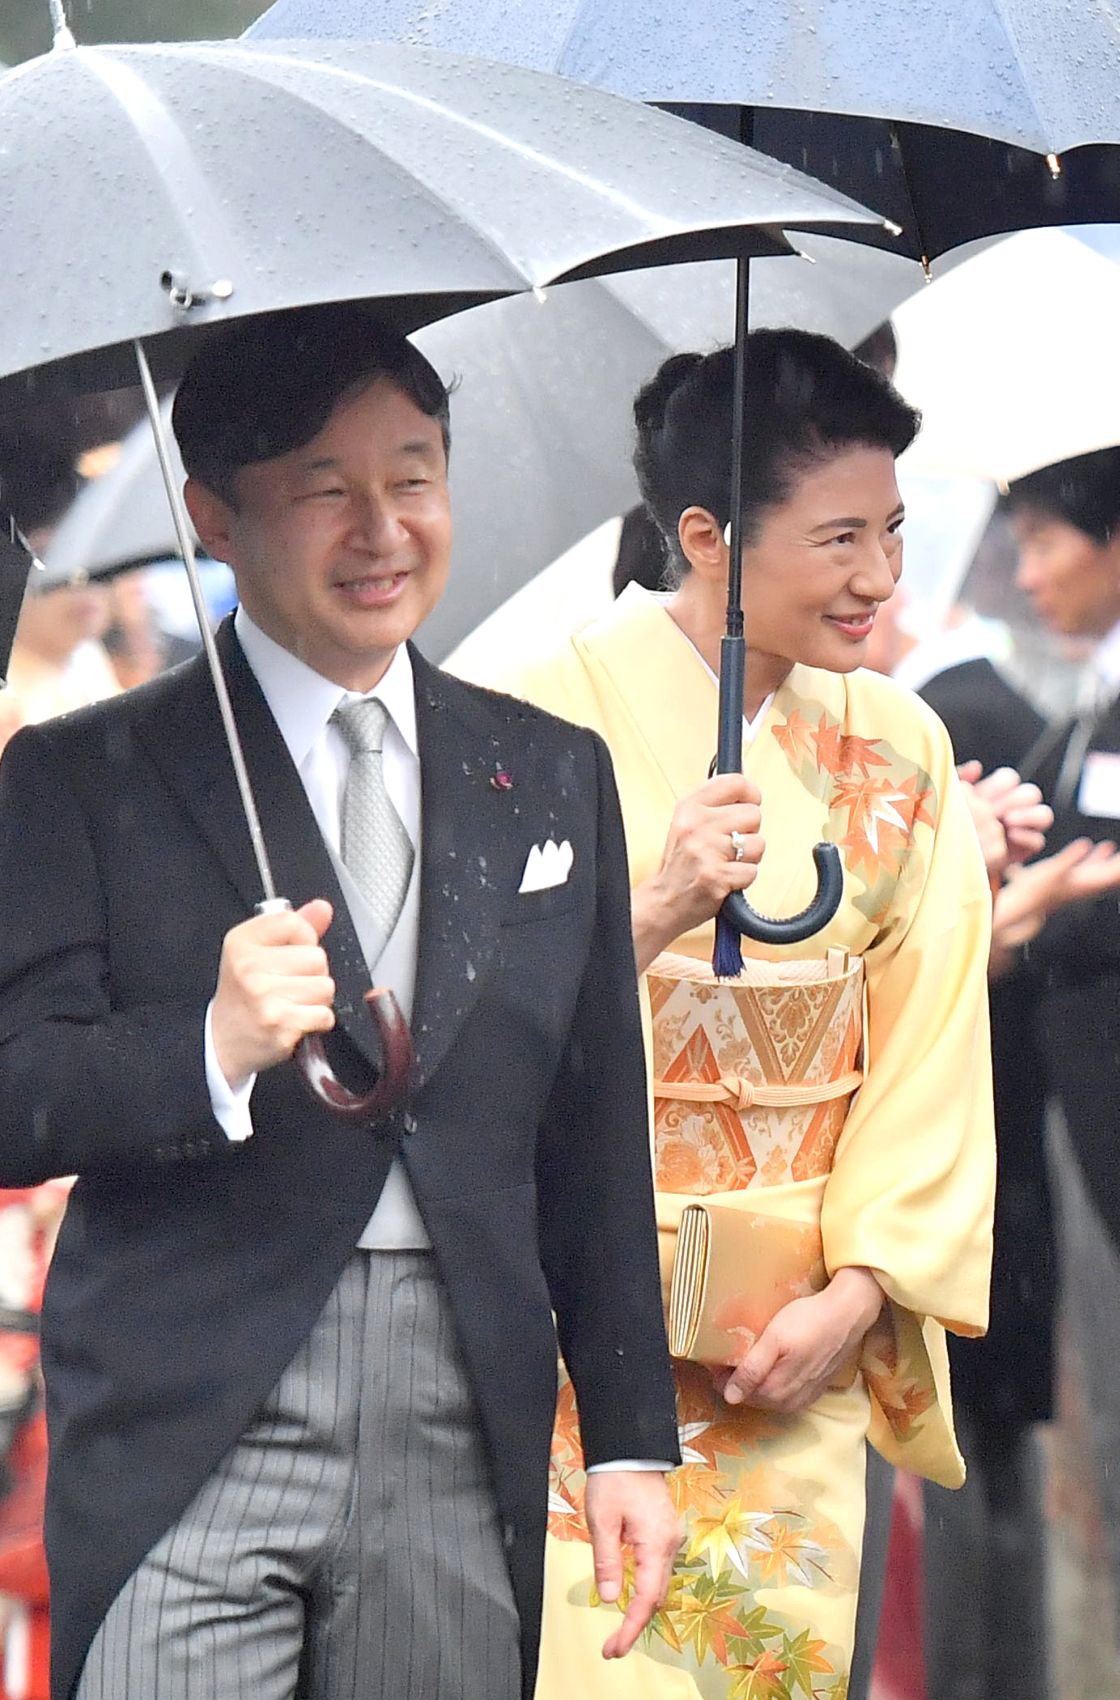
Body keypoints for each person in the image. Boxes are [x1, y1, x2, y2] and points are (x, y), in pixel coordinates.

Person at [0, 307, 682, 1700]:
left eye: (414, 477)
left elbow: (593, 1130)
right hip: (191, 1407)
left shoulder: (549, 771)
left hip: (462, 1403)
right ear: (212, 515)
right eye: (324, 489)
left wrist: (633, 1435)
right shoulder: (84, 773)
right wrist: (208, 1046)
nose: (383, 530)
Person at [488, 330, 995, 1697]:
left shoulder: (904, 745)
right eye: (839, 538)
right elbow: (466, 1026)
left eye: (892, 530)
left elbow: (932, 1053)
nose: (880, 577)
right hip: (576, 1330)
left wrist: (860, 1292)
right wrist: (653, 907)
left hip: (792, 1335)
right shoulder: (530, 714)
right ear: (708, 538)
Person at [997, 444, 1120, 1668]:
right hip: (1080, 1118)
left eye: (1046, 541)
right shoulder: (1087, 701)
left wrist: (1027, 923)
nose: (1028, 574)